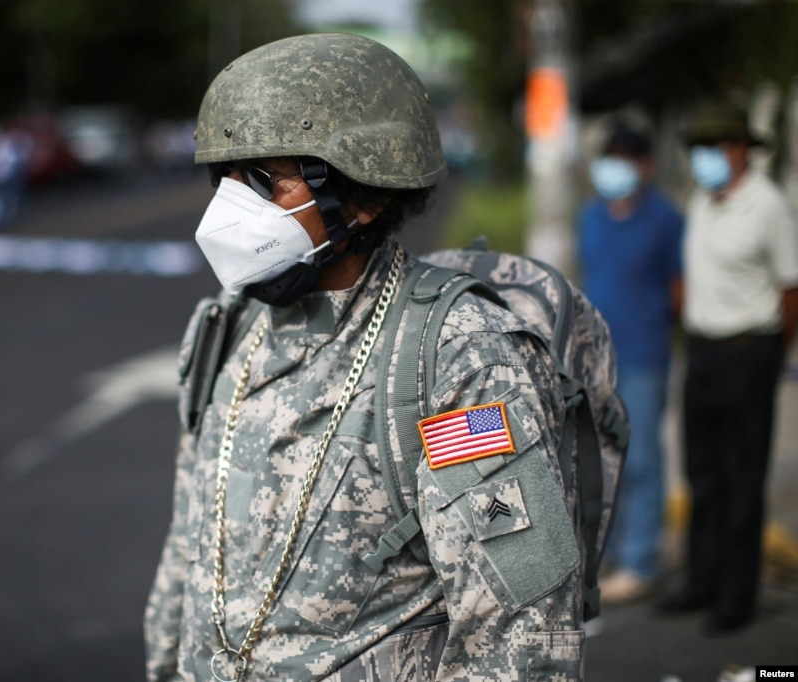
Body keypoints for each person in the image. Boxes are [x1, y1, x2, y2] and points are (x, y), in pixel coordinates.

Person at [145, 33, 586, 681]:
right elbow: (188, 545)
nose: (229, 212)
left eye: (266, 182)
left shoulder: (453, 352)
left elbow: (521, 628)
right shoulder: (224, 327)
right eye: (225, 178)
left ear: (364, 197)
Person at [654, 99, 798, 635]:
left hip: (749, 352)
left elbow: (790, 290)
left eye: (712, 147)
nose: (702, 158)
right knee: (703, 475)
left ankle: (737, 597)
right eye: (697, 149)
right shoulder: (702, 201)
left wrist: (769, 355)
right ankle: (700, 581)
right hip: (704, 352)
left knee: (742, 478)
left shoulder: (769, 205)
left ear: (739, 150)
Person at [576, 119, 684, 605]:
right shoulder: (592, 216)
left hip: (643, 354)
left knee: (641, 460)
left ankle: (642, 561)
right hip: (596, 356)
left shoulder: (665, 220)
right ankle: (610, 552)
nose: (616, 167)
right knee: (601, 461)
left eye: (626, 158)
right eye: (610, 157)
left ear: (645, 166)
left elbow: (679, 290)